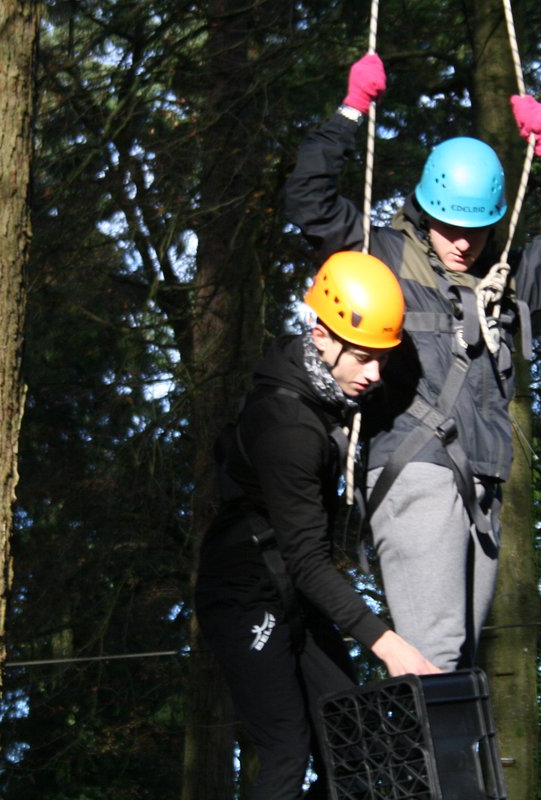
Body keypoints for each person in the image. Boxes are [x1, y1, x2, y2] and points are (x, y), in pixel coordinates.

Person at [283, 54, 541, 671]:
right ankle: (430, 769)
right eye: (448, 226)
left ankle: (438, 767)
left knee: (456, 662)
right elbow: (307, 200)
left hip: (485, 484)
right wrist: (349, 111)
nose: (463, 241)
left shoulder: (509, 275)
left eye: (477, 228)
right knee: (435, 657)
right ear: (424, 210)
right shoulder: (378, 254)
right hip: (412, 470)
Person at [194, 251, 440, 799]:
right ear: (320, 335)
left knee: (349, 736)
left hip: (289, 585)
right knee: (287, 750)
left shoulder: (319, 378)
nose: (374, 373)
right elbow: (307, 561)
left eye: (381, 356)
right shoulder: (288, 426)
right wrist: (389, 645)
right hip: (245, 592)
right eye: (362, 356)